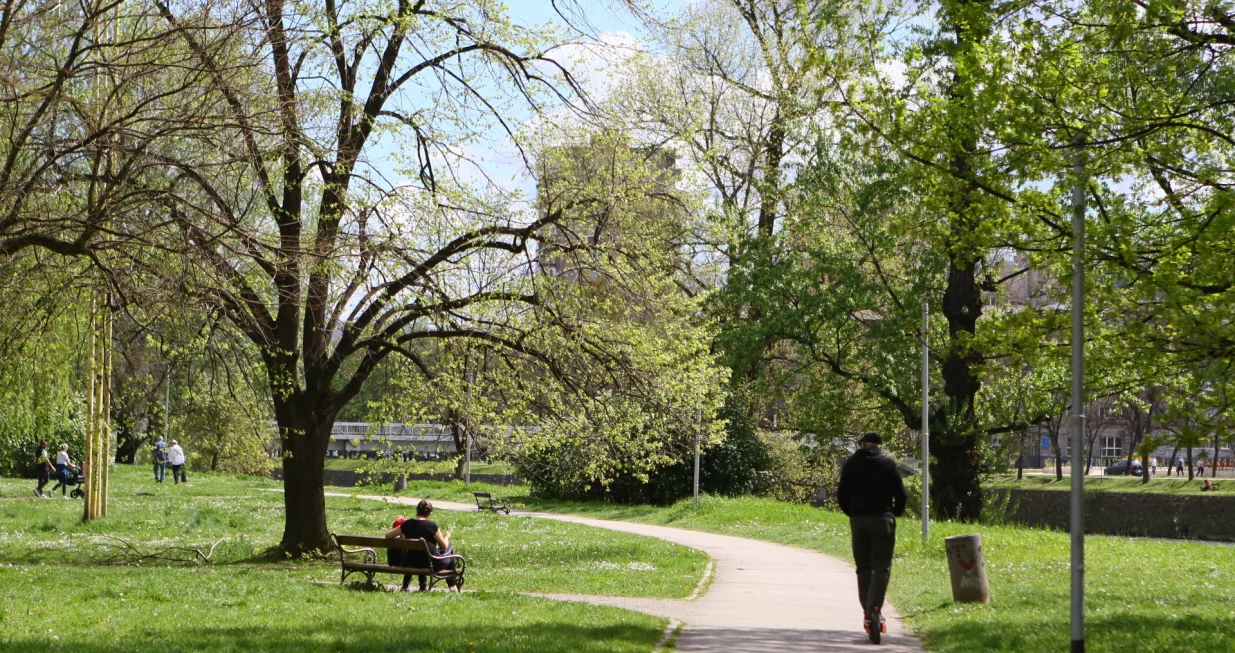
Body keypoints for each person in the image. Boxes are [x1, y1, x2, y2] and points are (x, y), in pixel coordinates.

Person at [837, 432, 907, 645]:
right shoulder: (888, 464)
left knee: (863, 566)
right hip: (883, 520)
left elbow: (842, 495)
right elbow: (902, 494)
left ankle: (867, 611)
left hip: (859, 520)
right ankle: (875, 607)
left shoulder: (851, 464)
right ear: (880, 446)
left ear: (862, 445)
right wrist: (895, 513)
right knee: (882, 567)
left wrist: (852, 513)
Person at [384, 499, 460, 592]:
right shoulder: (432, 526)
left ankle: (423, 586)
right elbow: (444, 546)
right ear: (429, 513)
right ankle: (452, 585)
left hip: (411, 561)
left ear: (417, 510)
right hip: (431, 563)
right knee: (449, 547)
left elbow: (388, 535)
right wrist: (447, 537)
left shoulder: (407, 524)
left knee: (421, 553)